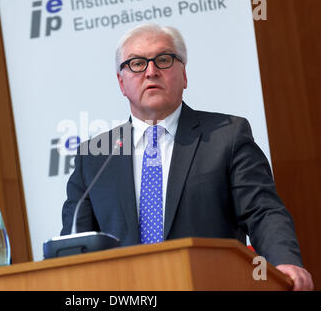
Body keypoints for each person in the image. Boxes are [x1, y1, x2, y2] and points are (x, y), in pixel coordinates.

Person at [60, 23, 313, 291]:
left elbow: (262, 211)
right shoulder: (95, 156)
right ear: (121, 83)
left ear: (184, 75)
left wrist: (284, 261)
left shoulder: (226, 136)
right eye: (136, 63)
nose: (151, 71)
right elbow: (76, 242)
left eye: (164, 59)